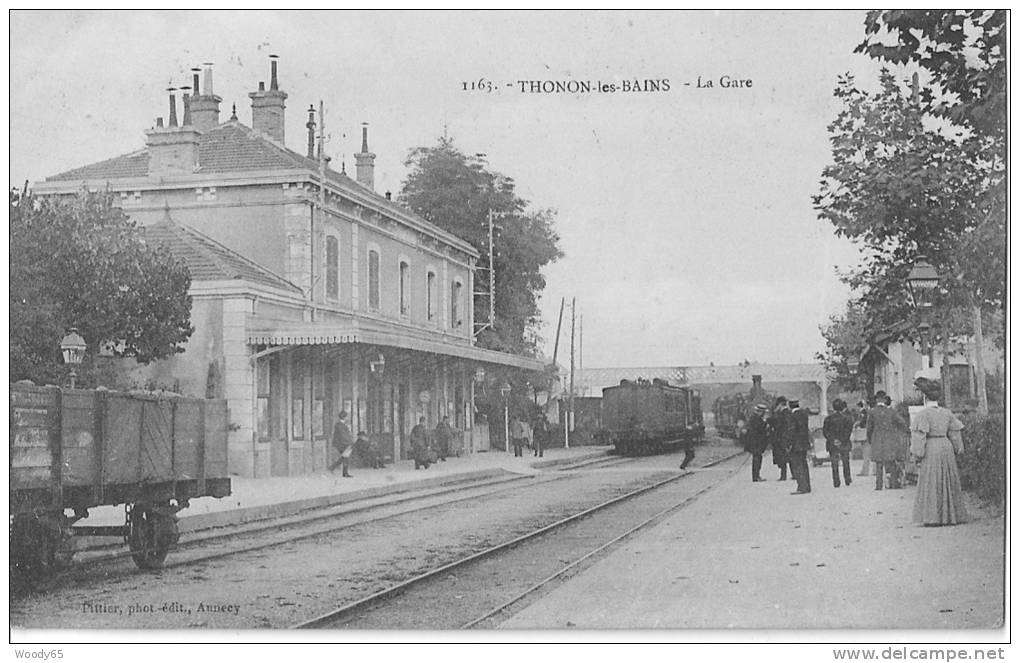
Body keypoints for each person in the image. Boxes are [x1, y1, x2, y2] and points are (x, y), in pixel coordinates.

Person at [910, 378, 967, 526]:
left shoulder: (922, 415)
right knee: (948, 479)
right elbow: (955, 434)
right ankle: (951, 516)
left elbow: (919, 437)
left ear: (925, 397)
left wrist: (917, 455)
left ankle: (933, 517)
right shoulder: (947, 413)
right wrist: (958, 450)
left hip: (931, 447)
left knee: (931, 481)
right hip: (945, 446)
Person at [867, 390, 908, 490]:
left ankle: (879, 485)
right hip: (890, 439)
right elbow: (902, 423)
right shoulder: (891, 411)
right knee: (891, 462)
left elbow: (869, 428)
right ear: (885, 399)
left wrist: (870, 439)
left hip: (877, 439)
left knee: (879, 463)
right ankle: (893, 484)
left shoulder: (872, 412)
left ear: (876, 399)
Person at [823, 399, 854, 488]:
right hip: (844, 443)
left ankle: (836, 481)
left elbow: (825, 432)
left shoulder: (828, 419)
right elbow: (848, 431)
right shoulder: (847, 418)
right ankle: (847, 479)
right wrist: (842, 440)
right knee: (845, 462)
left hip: (832, 444)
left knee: (834, 464)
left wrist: (833, 440)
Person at [787, 399, 812, 494]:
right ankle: (807, 486)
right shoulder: (804, 414)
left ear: (790, 406)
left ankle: (801, 487)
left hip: (796, 444)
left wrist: (788, 443)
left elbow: (791, 431)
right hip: (804, 443)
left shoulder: (792, 416)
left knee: (797, 466)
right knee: (804, 465)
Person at [744, 403, 770, 482]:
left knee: (757, 458)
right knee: (757, 459)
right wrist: (765, 423)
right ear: (761, 412)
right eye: (764, 412)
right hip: (756, 443)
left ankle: (756, 475)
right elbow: (760, 428)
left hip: (756, 442)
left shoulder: (755, 417)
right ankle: (756, 476)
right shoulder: (756, 418)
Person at [767, 397, 791, 481]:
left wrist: (770, 420)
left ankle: (784, 475)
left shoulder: (783, 413)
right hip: (781, 438)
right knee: (784, 457)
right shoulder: (785, 412)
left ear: (780, 404)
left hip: (781, 438)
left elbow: (778, 424)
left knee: (783, 457)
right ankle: (788, 474)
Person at [328, 411, 353, 477]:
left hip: (342, 443)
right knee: (345, 457)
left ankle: (332, 468)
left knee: (344, 457)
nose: (347, 418)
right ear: (344, 417)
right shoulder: (340, 425)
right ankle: (344, 473)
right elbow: (343, 435)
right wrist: (349, 443)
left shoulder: (342, 424)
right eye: (346, 416)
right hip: (342, 444)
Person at [854, 399, 872, 477]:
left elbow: (862, 421)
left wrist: (856, 424)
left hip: (864, 434)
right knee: (867, 454)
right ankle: (866, 470)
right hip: (866, 434)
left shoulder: (863, 412)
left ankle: (865, 471)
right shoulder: (866, 411)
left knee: (866, 454)